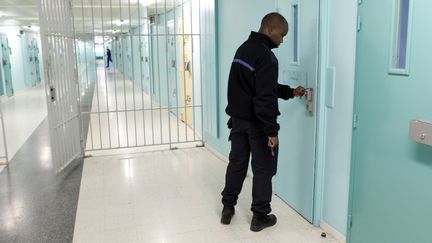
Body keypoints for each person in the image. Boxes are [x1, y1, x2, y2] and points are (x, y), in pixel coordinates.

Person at [221, 12, 306, 232]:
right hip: (258, 125)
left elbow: (257, 87)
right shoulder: (267, 57)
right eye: (282, 34)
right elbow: (264, 98)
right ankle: (260, 216)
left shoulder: (243, 49)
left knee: (237, 163)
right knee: (263, 169)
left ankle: (228, 207)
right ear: (270, 29)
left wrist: (290, 92)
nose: (282, 40)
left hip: (238, 121)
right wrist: (272, 131)